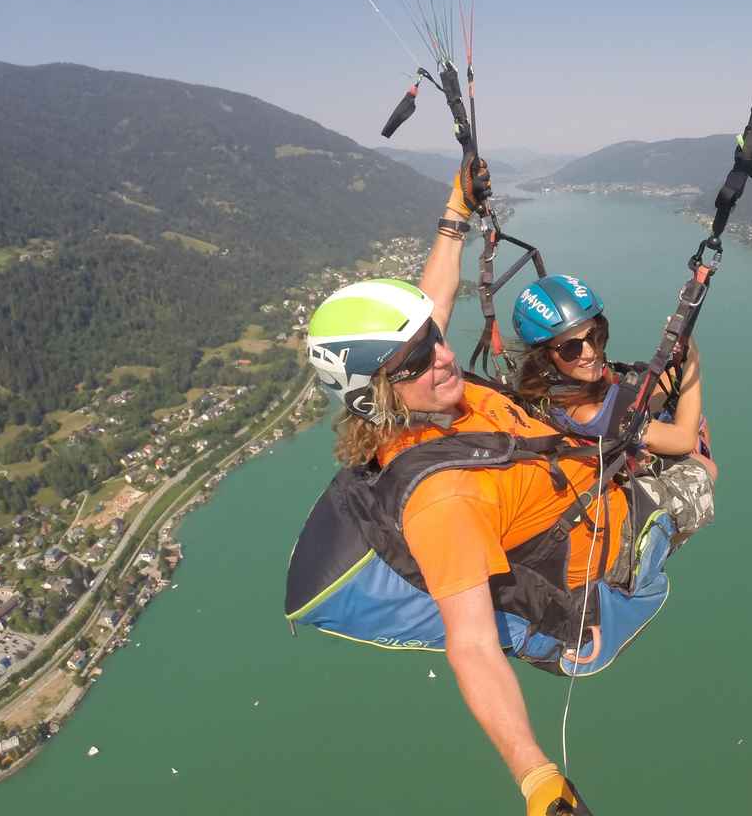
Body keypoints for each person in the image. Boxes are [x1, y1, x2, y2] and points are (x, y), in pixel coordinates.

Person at [297, 166, 715, 816]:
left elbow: (432, 302)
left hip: (584, 472)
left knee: (646, 414)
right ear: (376, 395)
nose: (443, 357)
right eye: (417, 360)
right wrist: (537, 777)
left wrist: (455, 212)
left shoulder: (430, 389)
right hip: (608, 542)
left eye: (434, 340)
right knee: (702, 471)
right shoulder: (443, 501)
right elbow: (470, 645)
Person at [511, 274, 716, 471]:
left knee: (669, 382)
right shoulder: (588, 413)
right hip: (617, 438)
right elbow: (684, 440)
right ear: (544, 357)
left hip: (614, 422)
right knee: (706, 463)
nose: (591, 353)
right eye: (570, 349)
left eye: (595, 335)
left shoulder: (539, 383)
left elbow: (630, 404)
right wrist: (692, 361)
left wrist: (674, 362)